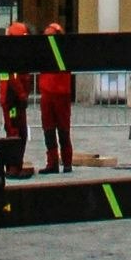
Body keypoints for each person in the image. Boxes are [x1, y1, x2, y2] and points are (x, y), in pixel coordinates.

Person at [39, 21, 77, 173]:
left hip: (59, 95)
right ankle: (54, 163)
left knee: (62, 131)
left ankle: (64, 163)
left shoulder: (62, 52)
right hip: (50, 94)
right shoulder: (50, 52)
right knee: (50, 130)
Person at [0, 20, 33, 177]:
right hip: (12, 100)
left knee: (20, 133)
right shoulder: (11, 55)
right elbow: (14, 79)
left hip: (16, 100)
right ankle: (12, 168)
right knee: (14, 133)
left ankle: (15, 166)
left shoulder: (16, 54)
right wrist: (23, 95)